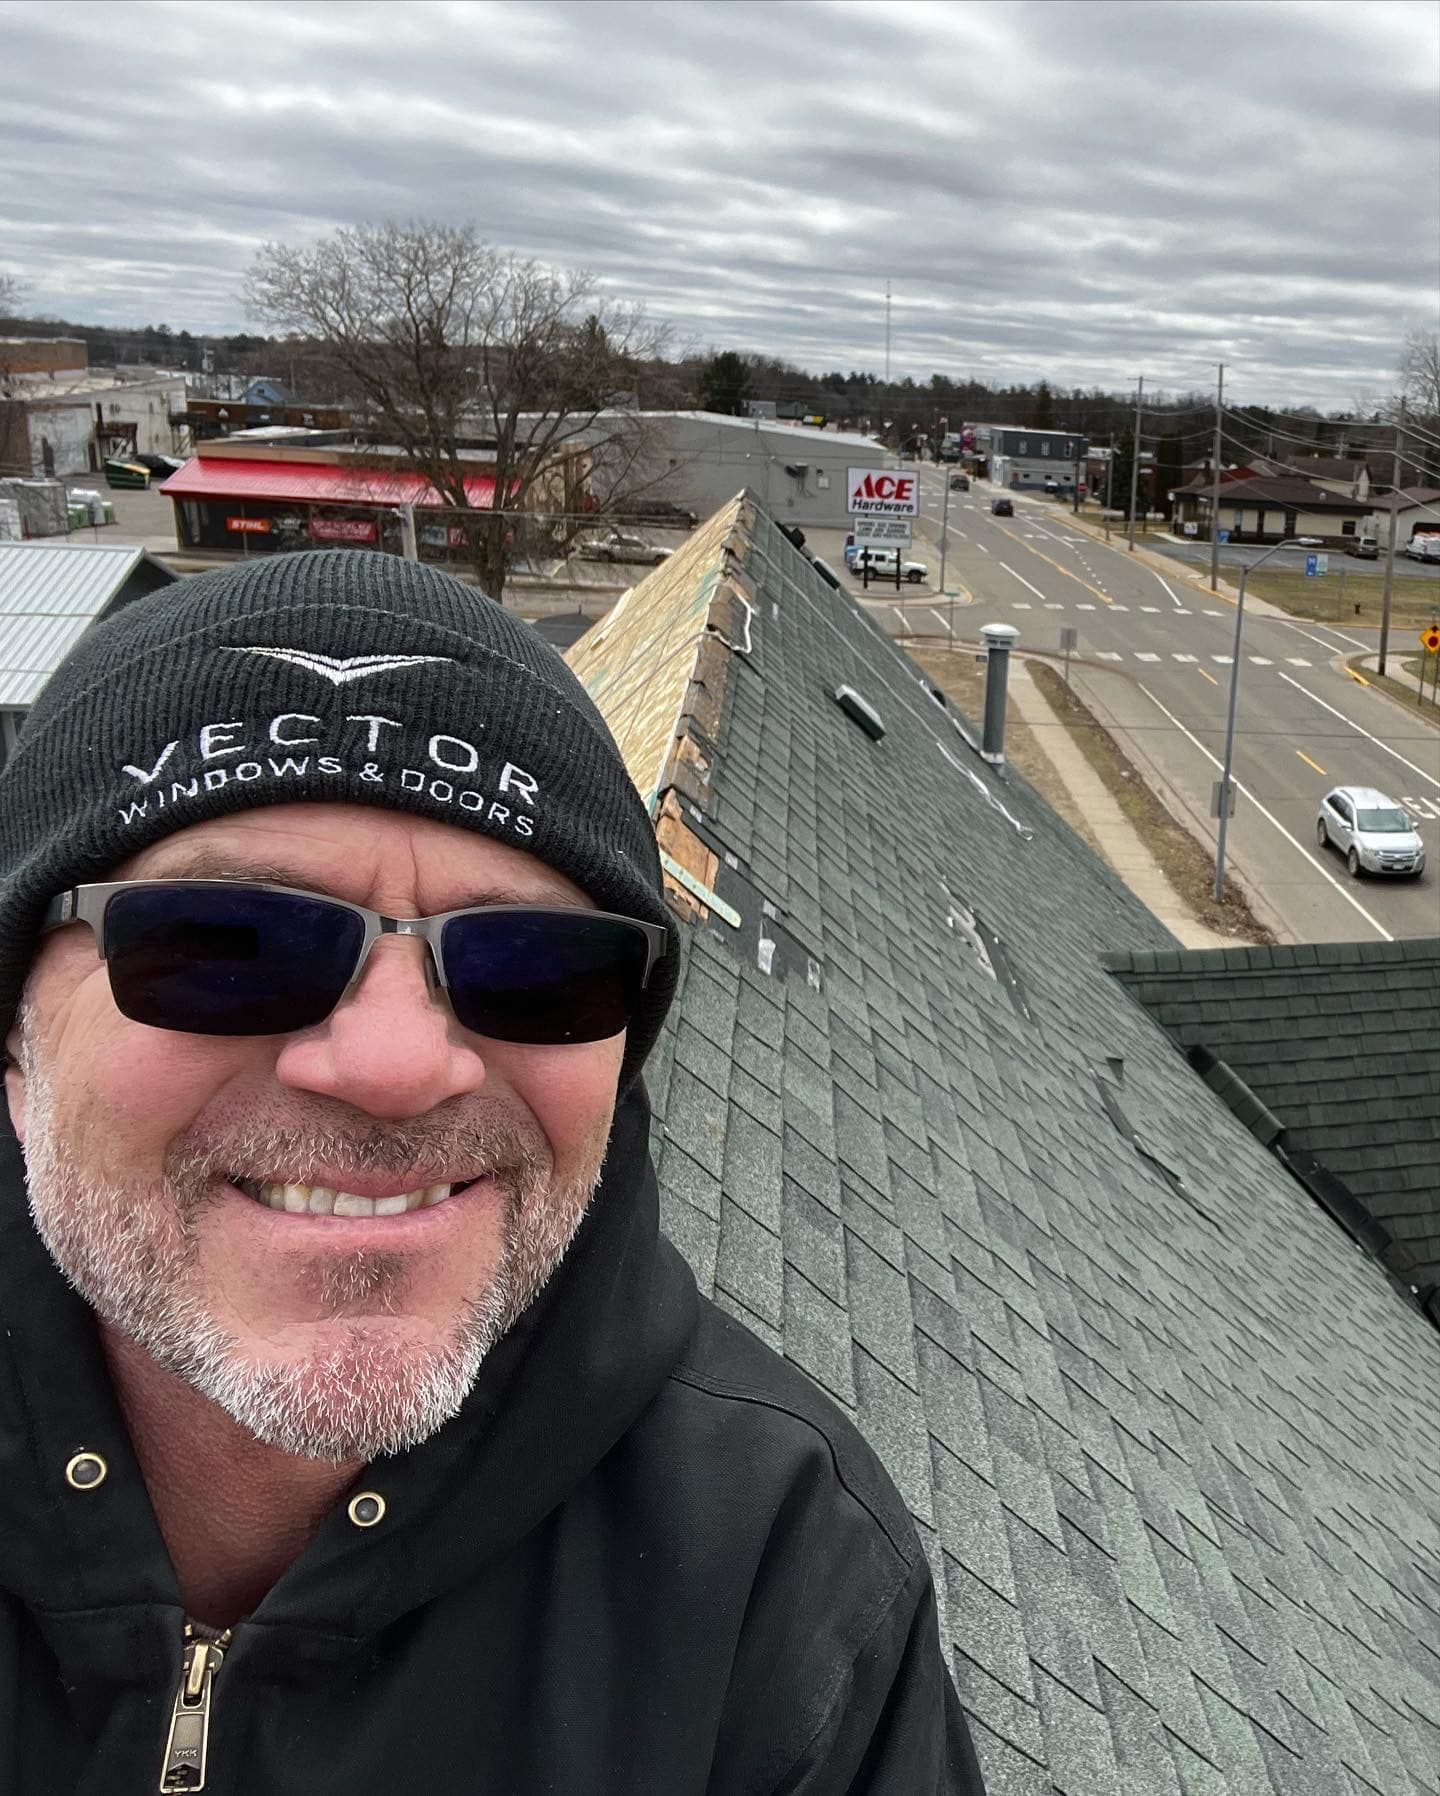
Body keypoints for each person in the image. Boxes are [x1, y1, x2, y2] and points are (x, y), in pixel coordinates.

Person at [0, 550, 984, 1793]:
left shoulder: (784, 1573)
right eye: (227, 943)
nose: (398, 1065)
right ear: (15, 1036)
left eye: (530, 965)